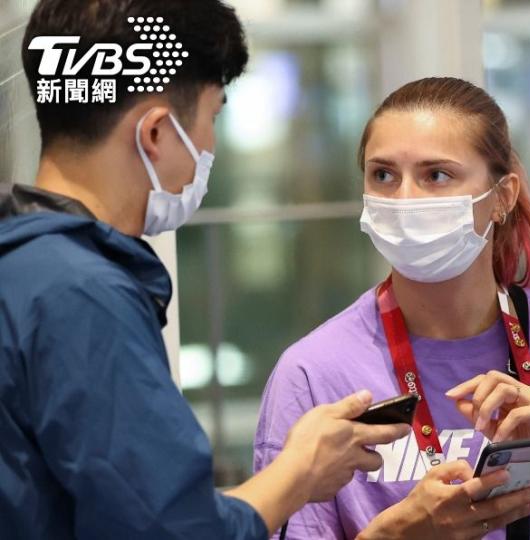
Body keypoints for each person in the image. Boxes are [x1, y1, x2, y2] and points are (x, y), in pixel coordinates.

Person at [0, 1, 409, 538]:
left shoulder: (22, 265)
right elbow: (172, 529)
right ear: (155, 134)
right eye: (211, 118)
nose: (210, 146)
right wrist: (300, 471)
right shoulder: (83, 295)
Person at [254, 77, 530, 539]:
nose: (405, 200)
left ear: (503, 196)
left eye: (436, 175)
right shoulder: (314, 373)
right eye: (383, 175)